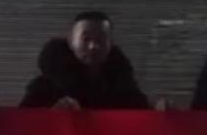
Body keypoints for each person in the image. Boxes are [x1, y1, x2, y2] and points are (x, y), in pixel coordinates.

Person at [20, 11, 149, 110]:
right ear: (71, 42)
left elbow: (144, 117)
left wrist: (159, 112)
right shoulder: (46, 86)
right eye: (86, 39)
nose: (93, 46)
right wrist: (51, 114)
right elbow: (24, 123)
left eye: (101, 39)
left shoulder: (124, 85)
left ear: (110, 43)